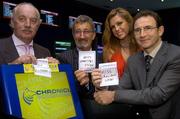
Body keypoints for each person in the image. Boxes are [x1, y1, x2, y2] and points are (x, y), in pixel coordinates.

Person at [92, 10, 180, 119]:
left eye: (148, 28)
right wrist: (102, 85)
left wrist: (113, 96)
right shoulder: (133, 60)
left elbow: (158, 94)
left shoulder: (176, 55)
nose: (142, 34)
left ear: (160, 30)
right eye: (138, 30)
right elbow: (121, 88)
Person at [0, 2, 58, 118]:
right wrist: (12, 67)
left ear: (38, 24)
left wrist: (57, 72)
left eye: (33, 20)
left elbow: (49, 89)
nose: (28, 24)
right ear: (12, 22)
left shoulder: (45, 52)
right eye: (22, 19)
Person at [57, 15, 103, 119]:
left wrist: (100, 86)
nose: (82, 36)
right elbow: (63, 91)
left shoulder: (103, 59)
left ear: (94, 35)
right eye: (78, 32)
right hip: (73, 112)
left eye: (86, 31)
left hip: (101, 113)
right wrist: (84, 84)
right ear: (73, 35)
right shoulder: (62, 58)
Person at [102, 7, 139, 78]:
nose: (116, 29)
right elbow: (108, 81)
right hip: (117, 89)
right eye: (113, 27)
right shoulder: (109, 50)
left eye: (119, 23)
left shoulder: (141, 46)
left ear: (129, 22)